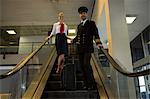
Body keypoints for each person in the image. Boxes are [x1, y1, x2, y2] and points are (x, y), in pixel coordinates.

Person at [72, 6, 103, 89]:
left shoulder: (91, 23)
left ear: (86, 14)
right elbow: (78, 36)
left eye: (84, 13)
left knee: (86, 64)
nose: (82, 14)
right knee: (82, 66)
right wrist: (72, 41)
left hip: (88, 48)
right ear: (79, 15)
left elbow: (95, 33)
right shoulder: (79, 26)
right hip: (80, 49)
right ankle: (85, 84)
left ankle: (92, 83)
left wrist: (98, 43)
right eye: (81, 13)